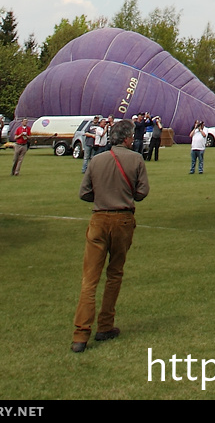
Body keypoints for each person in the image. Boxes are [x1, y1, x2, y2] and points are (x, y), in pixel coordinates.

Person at [72, 118, 149, 351]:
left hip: (98, 219)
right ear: (127, 139)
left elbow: (84, 193)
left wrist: (102, 196)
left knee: (89, 279)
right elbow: (142, 192)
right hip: (123, 219)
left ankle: (80, 335)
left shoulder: (96, 160)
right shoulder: (136, 159)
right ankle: (105, 325)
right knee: (114, 274)